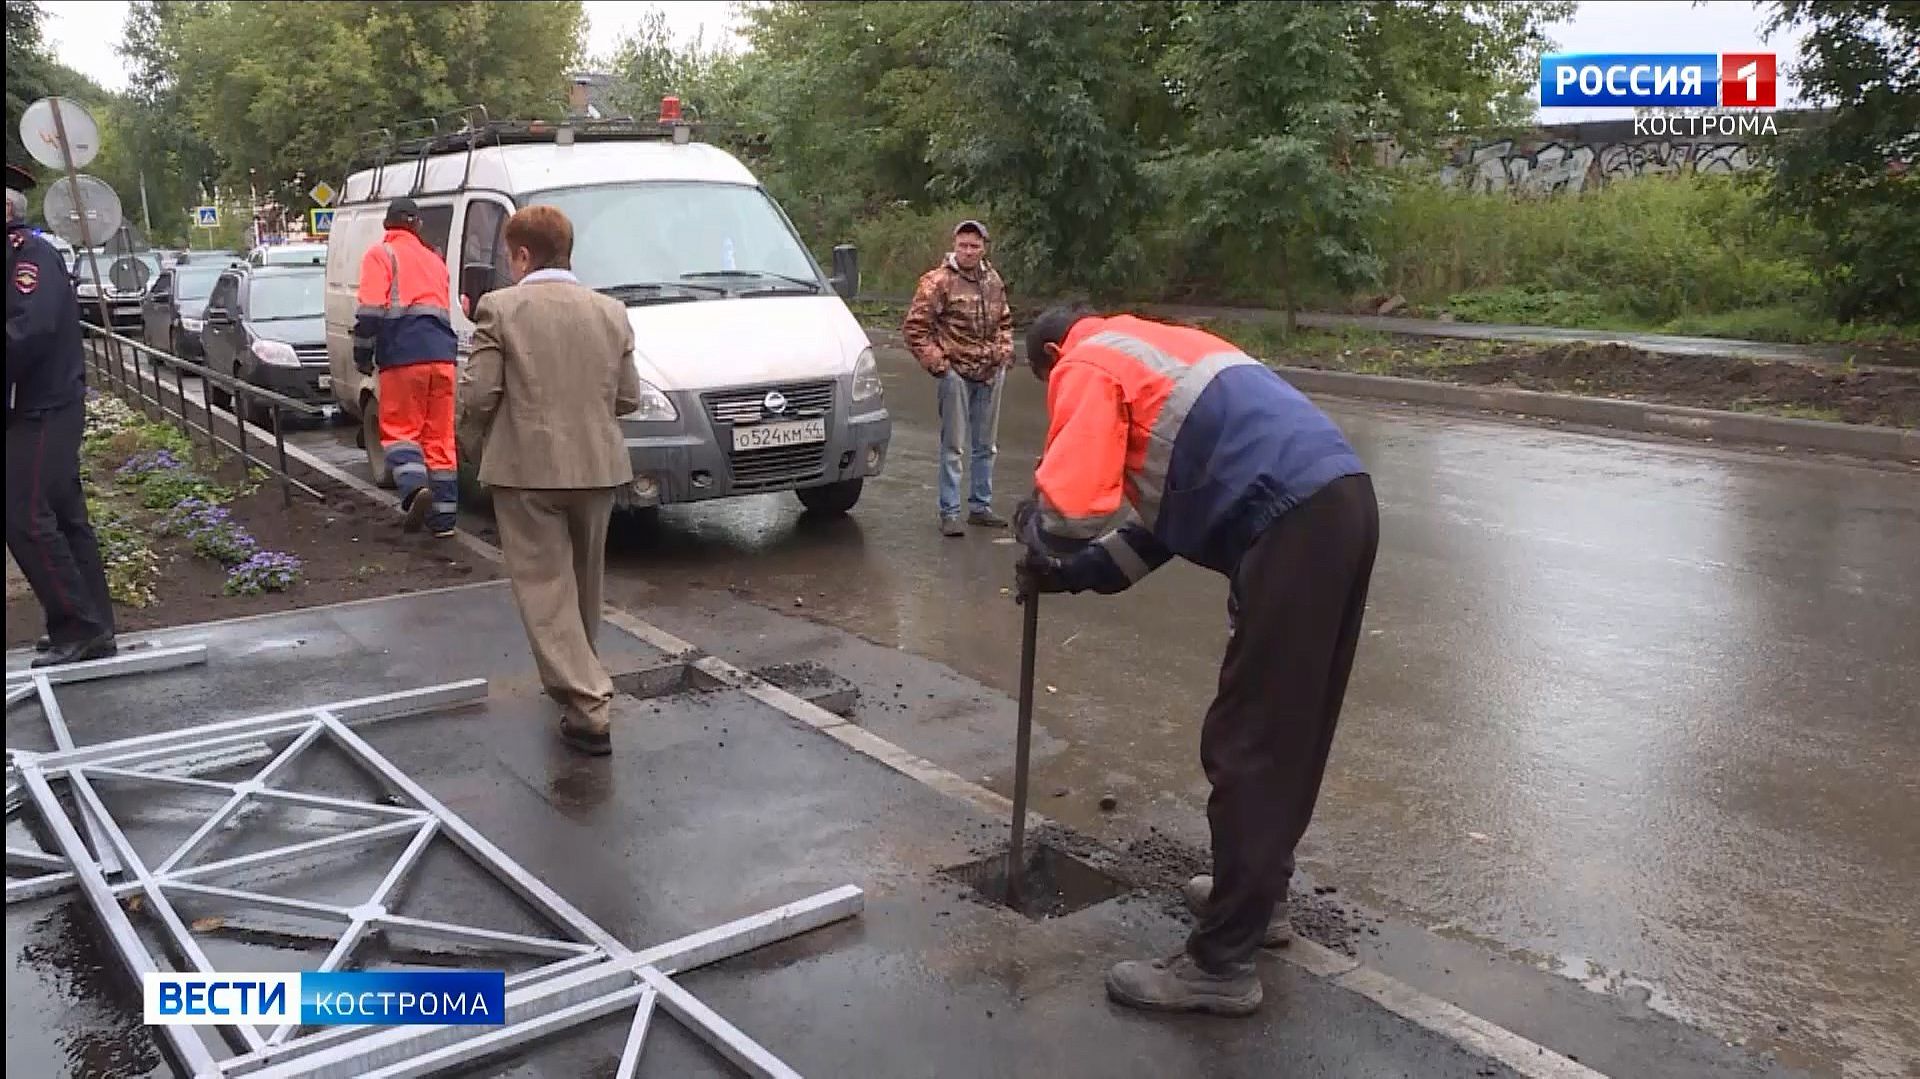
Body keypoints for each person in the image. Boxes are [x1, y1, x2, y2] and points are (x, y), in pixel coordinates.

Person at [1013, 306, 1379, 1017]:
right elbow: (1147, 538)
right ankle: (1253, 899)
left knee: (1248, 744)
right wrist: (1069, 574)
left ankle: (1220, 964)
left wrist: (1036, 532)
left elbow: (1068, 511)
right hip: (1340, 501)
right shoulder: (1159, 358)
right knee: (1287, 734)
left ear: (1055, 352)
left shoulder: (1088, 358)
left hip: (1293, 519)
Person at [457, 206, 641, 757]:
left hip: (527, 471)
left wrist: (469, 447)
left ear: (521, 254)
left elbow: (478, 395)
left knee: (544, 589)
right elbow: (627, 397)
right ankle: (581, 683)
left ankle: (588, 704)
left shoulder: (501, 309)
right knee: (584, 587)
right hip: (598, 467)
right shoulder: (611, 311)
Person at [6, 163, 117, 667]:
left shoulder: (29, 258)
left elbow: (30, 332)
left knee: (25, 515)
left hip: (45, 405)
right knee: (64, 516)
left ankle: (79, 625)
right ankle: (91, 623)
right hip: (34, 405)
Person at [353, 197, 459, 537]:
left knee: (401, 431)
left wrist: (362, 354)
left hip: (403, 354)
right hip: (443, 356)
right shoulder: (434, 259)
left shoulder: (381, 255)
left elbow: (370, 312)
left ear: (388, 225)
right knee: (439, 438)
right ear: (418, 226)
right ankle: (443, 522)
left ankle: (415, 491)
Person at [902, 220, 1014, 537]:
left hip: (990, 371)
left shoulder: (993, 281)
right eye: (963, 245)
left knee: (986, 445)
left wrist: (1004, 354)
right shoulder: (937, 282)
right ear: (954, 245)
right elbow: (915, 329)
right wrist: (940, 365)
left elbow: (1005, 321)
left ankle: (980, 506)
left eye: (974, 246)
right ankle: (949, 512)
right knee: (953, 445)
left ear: (984, 248)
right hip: (954, 373)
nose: (968, 251)